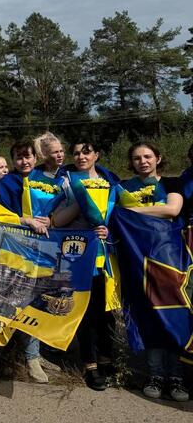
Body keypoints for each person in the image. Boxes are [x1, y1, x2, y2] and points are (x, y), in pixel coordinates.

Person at [0, 141, 67, 383]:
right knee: (22, 301)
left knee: (42, 300)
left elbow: (62, 207)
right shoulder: (7, 183)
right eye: (19, 157)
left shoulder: (47, 181)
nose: (24, 161)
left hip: (45, 250)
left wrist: (51, 220)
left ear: (36, 158)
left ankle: (36, 352)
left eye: (28, 157)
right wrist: (26, 220)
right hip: (16, 249)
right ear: (13, 161)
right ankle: (29, 358)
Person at [119, 142, 187, 402]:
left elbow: (172, 210)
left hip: (171, 260)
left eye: (148, 156)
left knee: (174, 315)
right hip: (138, 260)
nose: (143, 161)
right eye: (137, 158)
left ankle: (177, 376)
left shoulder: (172, 183)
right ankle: (155, 374)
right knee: (148, 315)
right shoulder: (123, 187)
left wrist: (131, 211)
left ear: (158, 158)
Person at [50, 140, 119, 391]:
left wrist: (107, 228)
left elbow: (121, 216)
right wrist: (82, 199)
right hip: (77, 256)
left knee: (106, 311)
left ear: (97, 155)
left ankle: (107, 358)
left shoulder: (111, 181)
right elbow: (55, 220)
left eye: (86, 151)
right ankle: (89, 364)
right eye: (76, 152)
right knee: (85, 312)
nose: (81, 156)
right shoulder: (66, 182)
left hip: (106, 256)